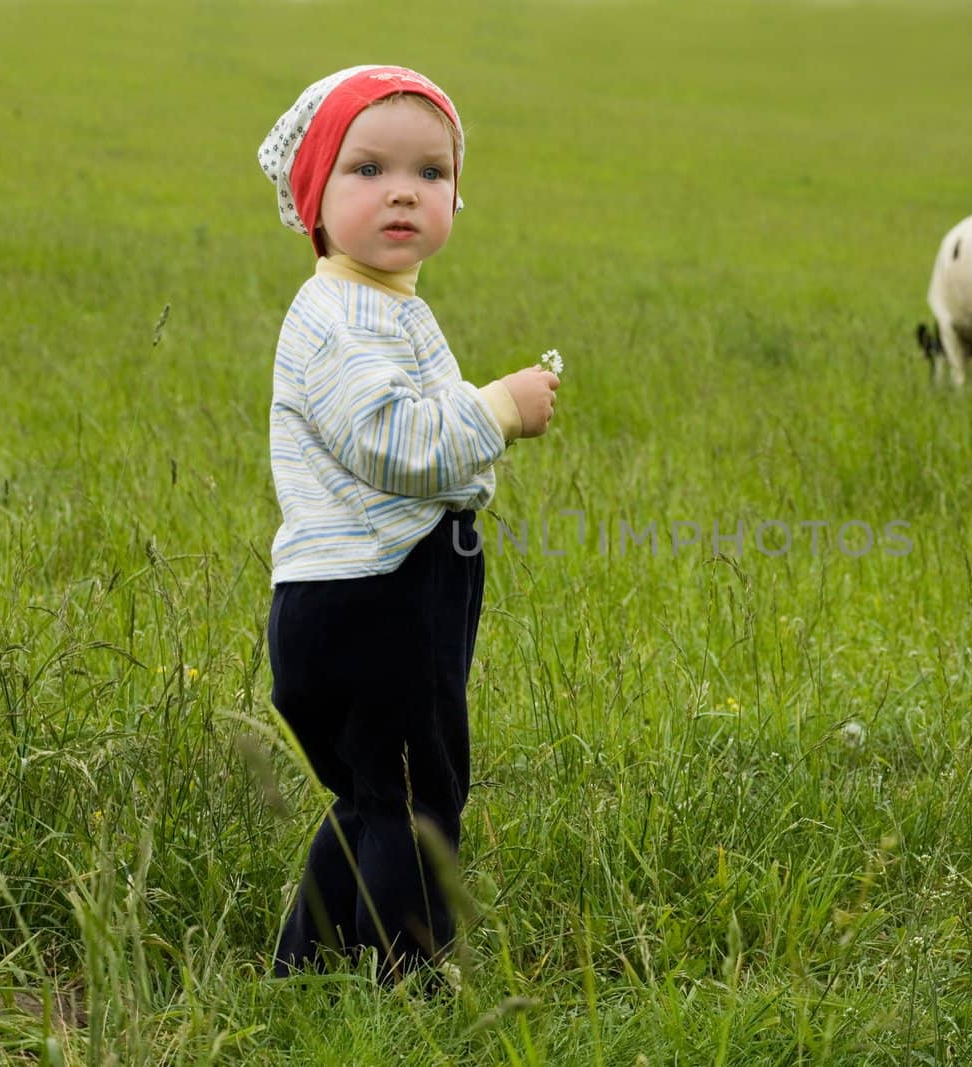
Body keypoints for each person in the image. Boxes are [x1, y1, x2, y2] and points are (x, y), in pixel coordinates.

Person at [256, 64, 559, 984]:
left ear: (458, 199)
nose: (403, 191)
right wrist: (498, 410)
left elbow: (409, 429)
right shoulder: (340, 316)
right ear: (315, 195)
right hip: (376, 596)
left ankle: (308, 970)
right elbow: (393, 443)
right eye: (367, 169)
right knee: (418, 798)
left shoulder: (378, 304)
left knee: (373, 792)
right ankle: (414, 983)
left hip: (368, 590)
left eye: (431, 172)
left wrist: (472, 417)